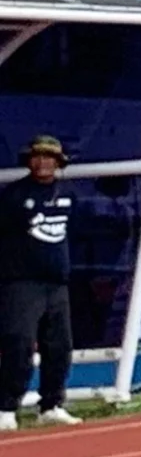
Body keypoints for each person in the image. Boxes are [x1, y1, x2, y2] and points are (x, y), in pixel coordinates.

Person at [0, 135, 80, 430]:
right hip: (21, 283)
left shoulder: (69, 195)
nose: (43, 162)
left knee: (59, 346)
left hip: (57, 284)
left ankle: (51, 404)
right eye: (38, 156)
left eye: (49, 157)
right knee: (19, 344)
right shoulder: (14, 196)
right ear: (29, 160)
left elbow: (75, 233)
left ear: (58, 162)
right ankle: (6, 407)